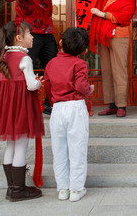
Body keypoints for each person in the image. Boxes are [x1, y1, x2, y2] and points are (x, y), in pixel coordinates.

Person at [0, 0, 85, 115]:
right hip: (27, 33)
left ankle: (48, 104)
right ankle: (19, 106)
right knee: (22, 70)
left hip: (47, 31)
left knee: (53, 68)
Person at [0, 21, 44, 202]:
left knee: (10, 144)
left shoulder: (4, 57)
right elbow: (31, 85)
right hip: (21, 107)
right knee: (21, 145)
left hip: (6, 108)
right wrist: (40, 81)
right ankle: (19, 189)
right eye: (29, 34)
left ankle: (11, 188)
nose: (33, 37)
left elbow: (2, 83)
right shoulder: (24, 59)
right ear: (19, 38)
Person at [44, 27, 93, 202]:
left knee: (59, 150)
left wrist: (53, 104)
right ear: (83, 50)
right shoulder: (80, 64)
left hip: (57, 108)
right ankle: (76, 189)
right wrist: (89, 89)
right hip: (75, 107)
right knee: (77, 150)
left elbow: (48, 89)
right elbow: (81, 85)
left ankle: (63, 189)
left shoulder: (50, 64)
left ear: (61, 43)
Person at [89, 0, 137, 117]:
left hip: (120, 37)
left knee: (119, 70)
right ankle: (111, 104)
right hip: (104, 35)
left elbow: (123, 18)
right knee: (107, 70)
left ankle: (121, 105)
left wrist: (102, 14)